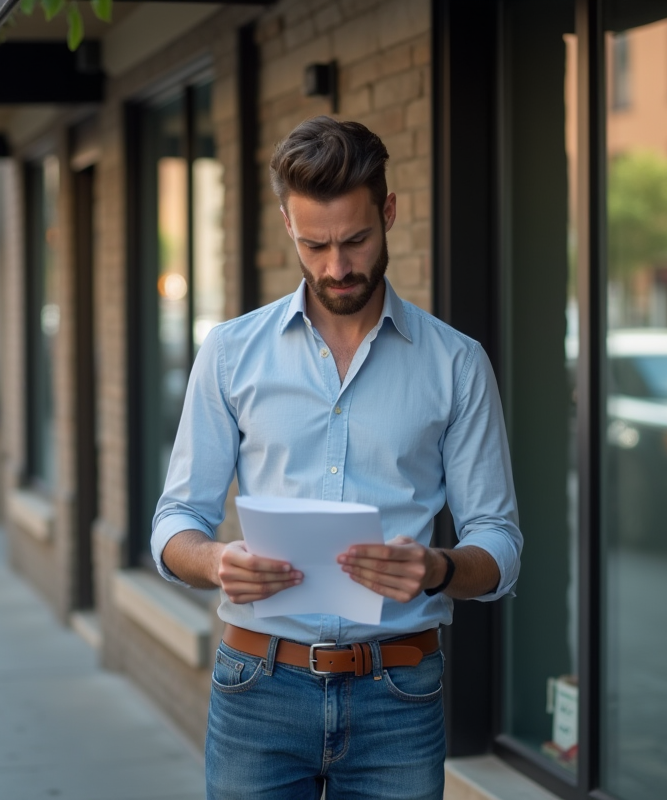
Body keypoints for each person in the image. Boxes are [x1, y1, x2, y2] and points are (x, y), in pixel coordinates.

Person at [151, 117, 524, 800]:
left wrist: (438, 569)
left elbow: (499, 547)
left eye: (354, 240)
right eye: (314, 244)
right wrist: (214, 561)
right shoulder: (231, 354)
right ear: (288, 225)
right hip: (255, 688)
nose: (336, 267)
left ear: (388, 213)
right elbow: (174, 522)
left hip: (399, 696)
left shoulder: (456, 364)